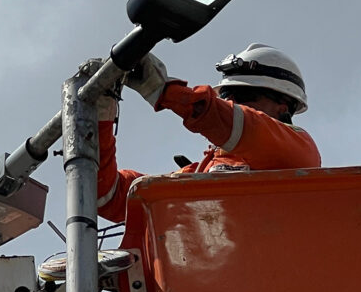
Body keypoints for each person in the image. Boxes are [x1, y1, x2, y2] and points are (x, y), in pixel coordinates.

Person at [96, 44, 321, 223]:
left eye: (242, 94)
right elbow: (112, 196)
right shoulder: (202, 174)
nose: (230, 102)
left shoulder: (298, 151)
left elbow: (242, 124)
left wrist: (165, 91)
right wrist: (99, 118)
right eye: (225, 95)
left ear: (283, 107)